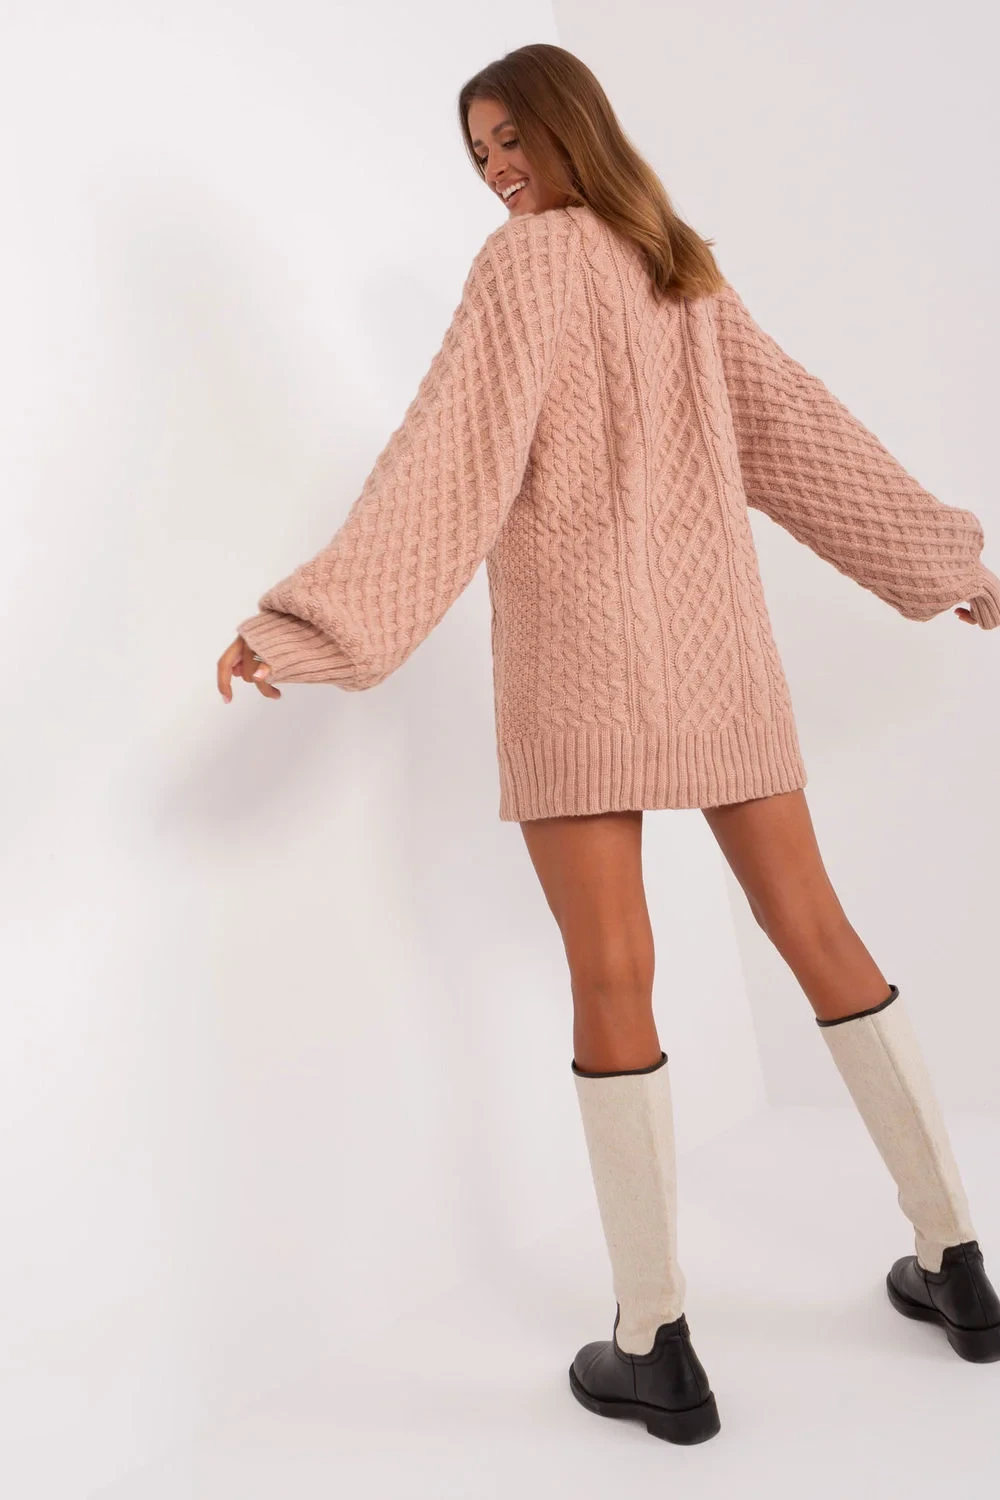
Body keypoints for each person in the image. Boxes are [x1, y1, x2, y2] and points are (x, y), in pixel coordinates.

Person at [215, 43, 1000, 1444]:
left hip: (580, 664)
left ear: (572, 125)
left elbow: (448, 463)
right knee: (821, 932)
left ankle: (656, 1343)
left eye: (511, 139)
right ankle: (961, 1271)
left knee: (612, 972)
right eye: (478, 155)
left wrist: (306, 624)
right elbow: (802, 434)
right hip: (718, 653)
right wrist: (945, 563)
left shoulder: (525, 270)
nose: (497, 173)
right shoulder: (679, 265)